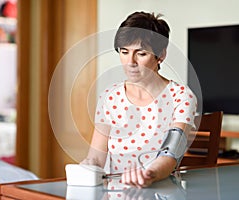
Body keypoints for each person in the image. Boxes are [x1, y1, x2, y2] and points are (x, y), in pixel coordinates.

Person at [81, 11, 197, 188]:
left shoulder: (181, 97)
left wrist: (148, 175)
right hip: (116, 193)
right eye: (124, 52)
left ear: (161, 55)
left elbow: (170, 154)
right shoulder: (110, 97)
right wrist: (85, 169)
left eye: (141, 54)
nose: (130, 62)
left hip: (161, 190)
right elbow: (96, 157)